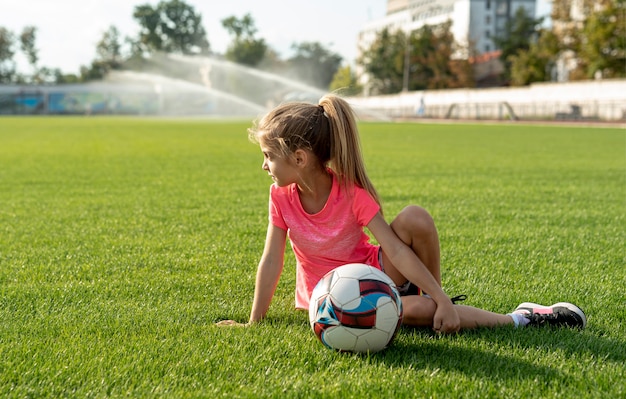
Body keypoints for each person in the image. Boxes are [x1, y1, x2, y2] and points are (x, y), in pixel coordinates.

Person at [217, 94, 586, 332]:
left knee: (414, 217)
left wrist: (440, 298)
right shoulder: (280, 196)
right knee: (415, 315)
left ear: (299, 159)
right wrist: (253, 323)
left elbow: (393, 248)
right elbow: (272, 260)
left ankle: (509, 316)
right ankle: (452, 310)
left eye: (268, 157)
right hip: (328, 298)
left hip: (375, 273)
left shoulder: (350, 192)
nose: (264, 166)